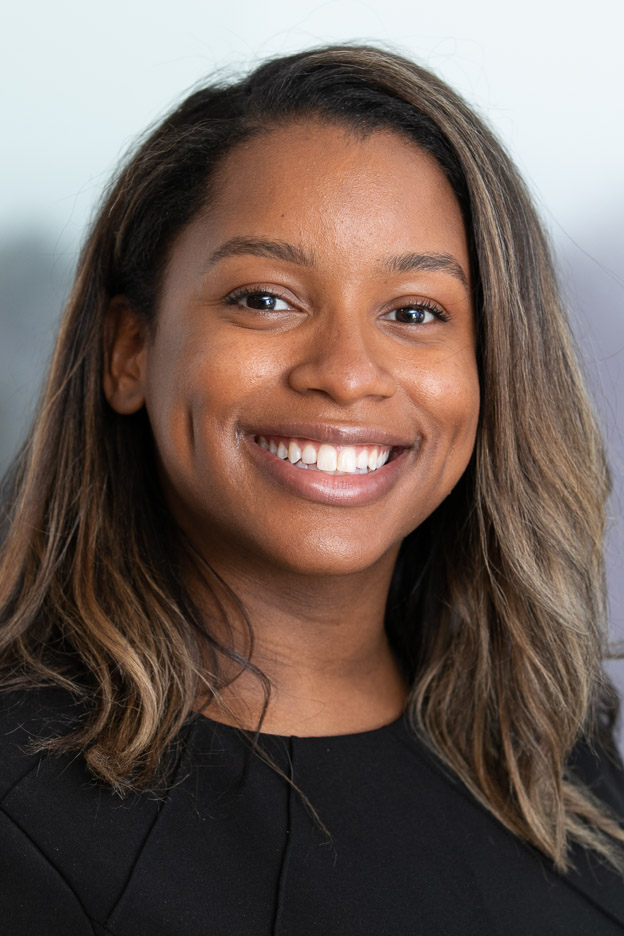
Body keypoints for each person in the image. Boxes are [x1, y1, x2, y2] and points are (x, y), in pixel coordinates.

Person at [0, 44, 623, 935]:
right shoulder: (22, 822)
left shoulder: (556, 769)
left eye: (415, 313)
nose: (346, 373)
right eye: (265, 299)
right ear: (128, 350)